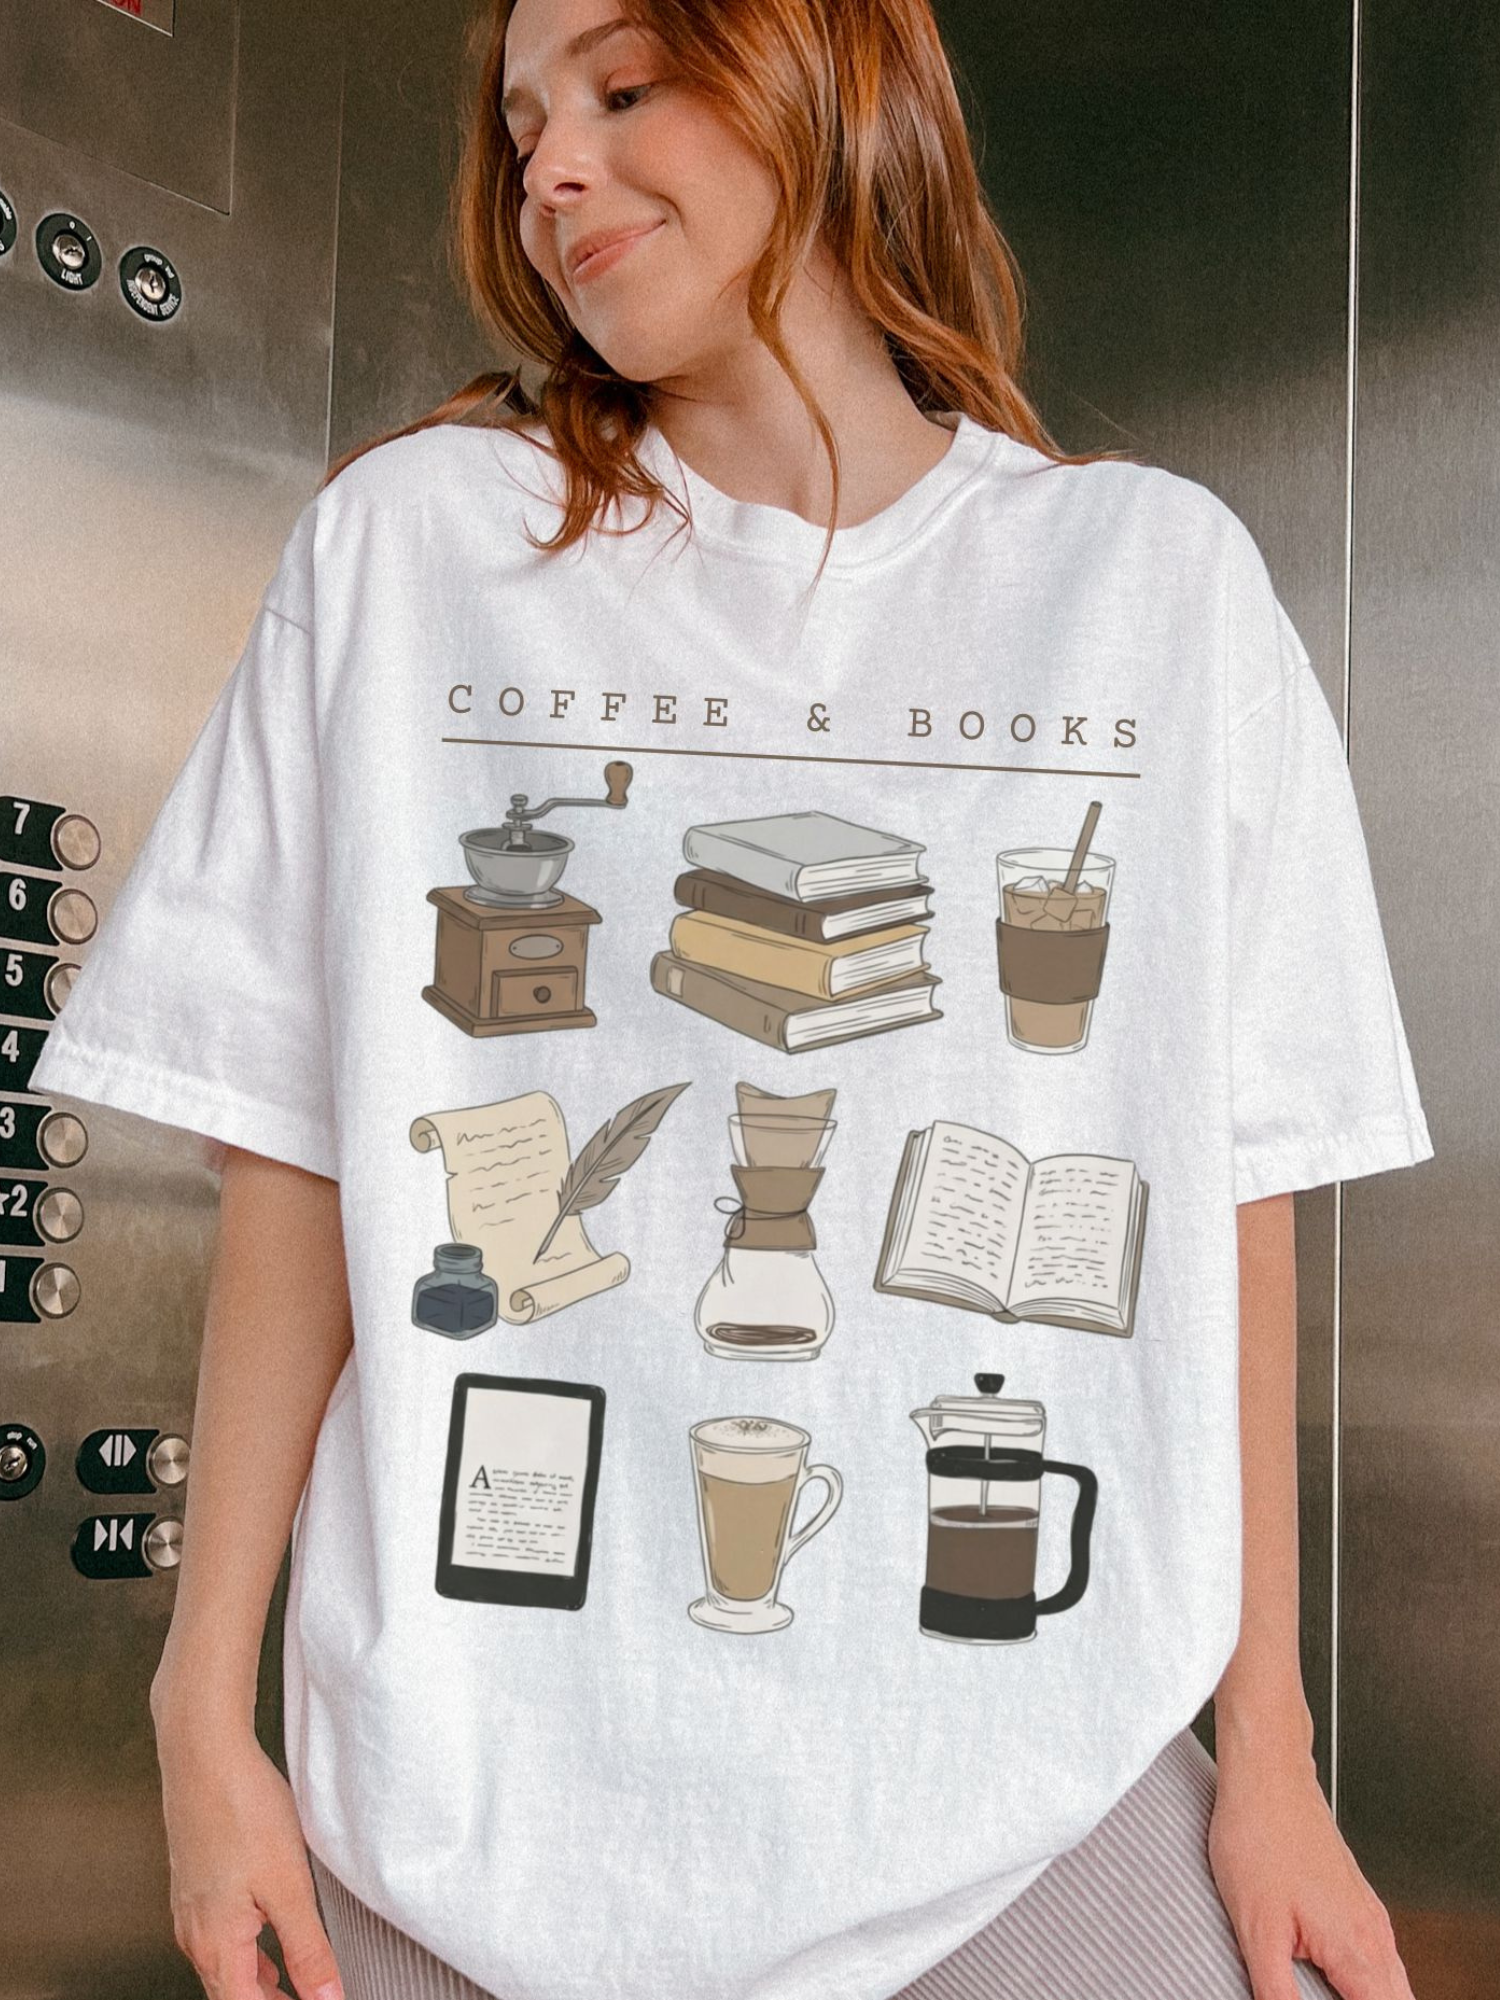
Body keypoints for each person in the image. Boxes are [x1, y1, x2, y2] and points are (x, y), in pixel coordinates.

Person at [29, 0, 1434, 1996]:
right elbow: (294, 1147)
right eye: (523, 126)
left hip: (1029, 1774)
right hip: (474, 1803)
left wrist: (1270, 1756)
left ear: (828, 77)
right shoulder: (413, 549)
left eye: (622, 89)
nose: (552, 169)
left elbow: (1236, 1190)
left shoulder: (1150, 583)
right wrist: (200, 1714)